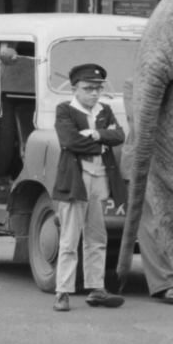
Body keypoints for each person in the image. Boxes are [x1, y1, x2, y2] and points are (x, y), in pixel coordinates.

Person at [52, 62, 126, 312]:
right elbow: (69, 140)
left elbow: (120, 136)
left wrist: (94, 135)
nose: (94, 93)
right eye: (88, 88)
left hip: (99, 178)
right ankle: (62, 292)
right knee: (70, 238)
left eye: (98, 88)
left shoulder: (105, 109)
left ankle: (97, 289)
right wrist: (103, 141)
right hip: (76, 180)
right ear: (76, 89)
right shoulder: (64, 109)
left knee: (97, 236)